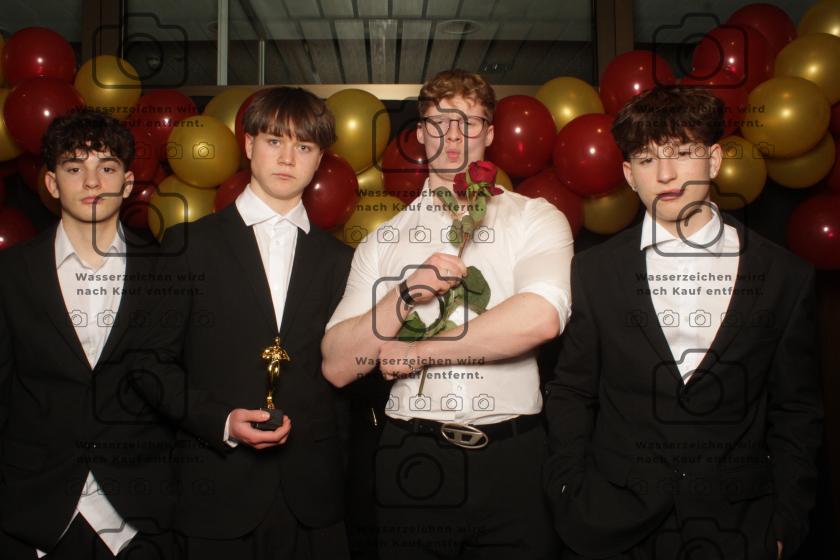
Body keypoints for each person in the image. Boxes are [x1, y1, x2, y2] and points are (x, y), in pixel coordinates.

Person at [543, 85, 823, 560]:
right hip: (613, 525)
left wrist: (786, 523)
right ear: (629, 175)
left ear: (713, 160)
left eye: (682, 152)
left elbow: (796, 410)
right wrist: (569, 490)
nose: (666, 174)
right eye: (647, 159)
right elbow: (572, 390)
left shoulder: (784, 275)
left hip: (739, 529)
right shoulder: (593, 271)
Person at [322, 69, 574, 559]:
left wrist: (420, 352)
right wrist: (403, 294)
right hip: (413, 457)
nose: (454, 136)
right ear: (420, 133)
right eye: (439, 122)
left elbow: (540, 317)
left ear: (490, 133)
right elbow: (337, 365)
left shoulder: (536, 217)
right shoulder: (383, 240)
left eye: (470, 122)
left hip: (514, 459)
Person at [143, 86, 353, 559]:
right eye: (275, 140)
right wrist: (219, 422)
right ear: (249, 144)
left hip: (315, 500)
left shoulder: (341, 260)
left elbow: (348, 391)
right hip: (216, 492)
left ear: (320, 160)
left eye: (304, 146)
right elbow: (149, 366)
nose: (288, 158)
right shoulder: (188, 246)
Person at [0, 108, 178, 559]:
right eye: (75, 168)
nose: (93, 182)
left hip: (144, 516)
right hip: (32, 512)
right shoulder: (11, 274)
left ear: (128, 183)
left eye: (108, 168)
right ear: (52, 183)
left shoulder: (170, 272)